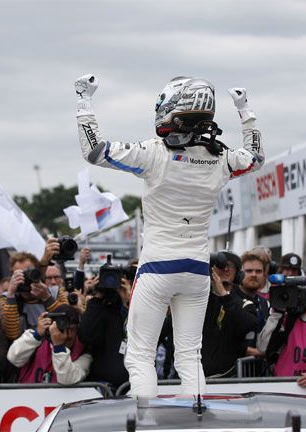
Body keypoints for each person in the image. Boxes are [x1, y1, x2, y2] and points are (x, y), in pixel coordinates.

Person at [74, 74, 263, 397]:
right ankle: (197, 421)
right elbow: (256, 158)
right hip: (197, 269)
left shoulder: (154, 152)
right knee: (190, 356)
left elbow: (94, 151)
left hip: (158, 266)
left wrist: (83, 101)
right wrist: (245, 112)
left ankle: (144, 423)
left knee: (140, 354)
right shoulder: (222, 156)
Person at [7, 305, 91, 385]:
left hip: (62, 399)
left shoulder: (84, 350)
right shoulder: (36, 339)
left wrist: (59, 346)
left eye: (71, 329)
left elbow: (68, 380)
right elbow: (14, 358)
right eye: (61, 328)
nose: (67, 334)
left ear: (78, 329)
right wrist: (37, 335)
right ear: (51, 326)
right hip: (29, 396)